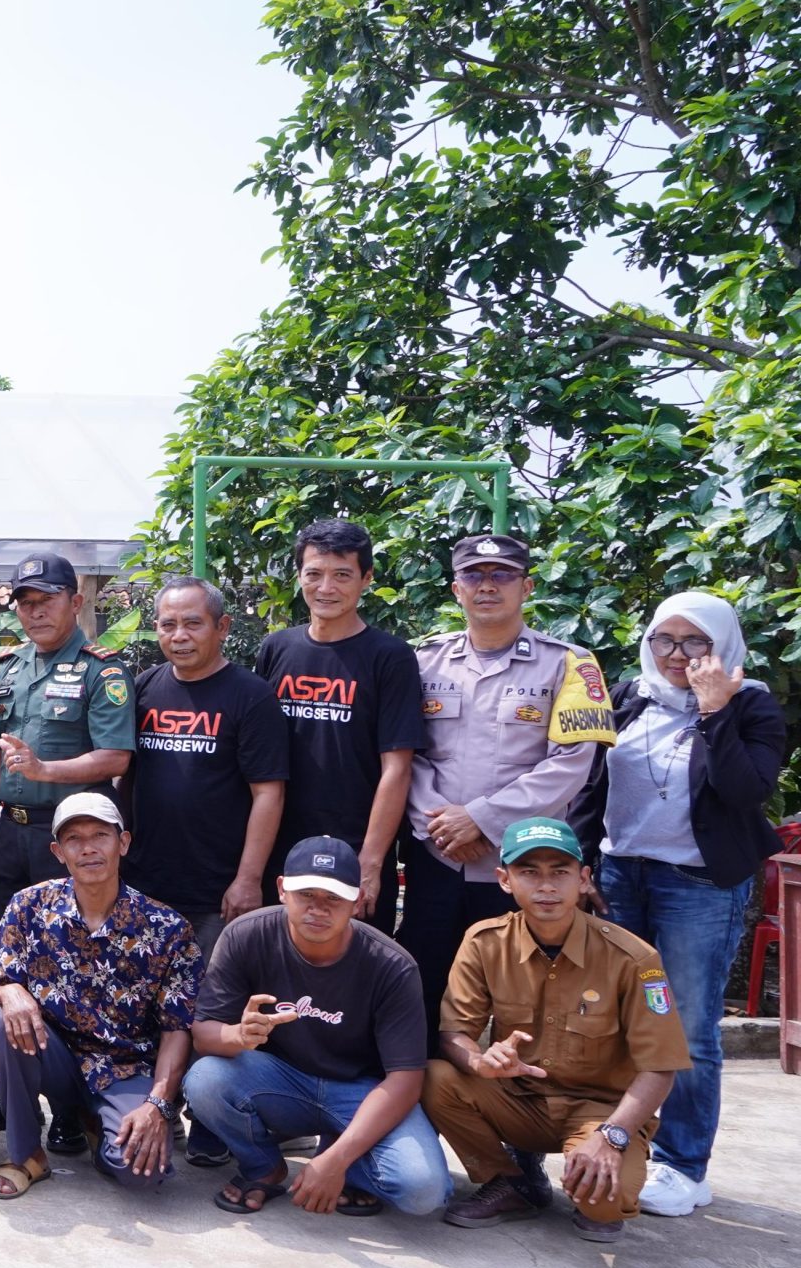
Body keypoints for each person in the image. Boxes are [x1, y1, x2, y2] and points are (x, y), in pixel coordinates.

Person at [572, 591, 788, 1216]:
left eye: (695, 642)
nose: (677, 656)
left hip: (697, 885)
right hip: (620, 875)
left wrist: (715, 709)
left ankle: (685, 1165)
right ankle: (620, 1141)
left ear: (721, 646)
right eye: (664, 640)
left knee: (687, 1027)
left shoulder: (752, 706)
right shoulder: (630, 695)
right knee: (609, 1016)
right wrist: (584, 860)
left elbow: (745, 790)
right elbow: (594, 781)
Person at [427, 818, 692, 1243]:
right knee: (434, 1077)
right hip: (518, 1099)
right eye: (529, 872)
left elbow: (661, 1066)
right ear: (504, 880)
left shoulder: (634, 957)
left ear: (584, 879)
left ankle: (593, 1161)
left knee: (603, 1208)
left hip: (599, 1113)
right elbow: (454, 1033)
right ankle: (512, 1180)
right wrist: (479, 1060)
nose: (546, 886)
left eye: (560, 872)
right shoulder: (484, 942)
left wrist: (614, 1135)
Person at [181, 837, 450, 1219]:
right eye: (306, 893)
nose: (318, 909)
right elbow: (204, 1034)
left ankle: (343, 1161)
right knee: (206, 1079)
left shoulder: (392, 964)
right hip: (280, 1081)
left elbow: (404, 1080)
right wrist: (238, 1036)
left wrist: (337, 1160)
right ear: (281, 890)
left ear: (357, 902)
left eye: (333, 898)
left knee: (422, 1191)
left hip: (361, 1091)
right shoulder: (246, 935)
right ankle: (264, 1167)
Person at [404, 533, 610, 1035]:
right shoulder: (419, 662)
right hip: (438, 860)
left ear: (527, 587)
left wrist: (480, 819)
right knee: (424, 996)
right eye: (474, 575)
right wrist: (441, 826)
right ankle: (429, 1106)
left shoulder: (571, 663)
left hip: (523, 866)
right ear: (456, 589)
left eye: (503, 575)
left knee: (530, 1007)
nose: (487, 586)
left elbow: (571, 765)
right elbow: (404, 757)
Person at [0, 793, 199, 1200]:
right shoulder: (28, 906)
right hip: (54, 1055)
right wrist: (9, 991)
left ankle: (96, 1124)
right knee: (1, 1020)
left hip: (125, 1066)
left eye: (101, 835)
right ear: (58, 851)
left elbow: (177, 1027)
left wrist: (158, 1104)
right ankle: (27, 1155)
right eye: (74, 839)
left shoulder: (168, 928)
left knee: (144, 1172)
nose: (89, 848)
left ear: (124, 843)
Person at [255, 518, 426, 921]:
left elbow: (397, 768)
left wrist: (370, 861)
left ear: (366, 578)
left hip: (353, 851)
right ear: (299, 576)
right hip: (279, 847)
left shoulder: (391, 657)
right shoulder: (277, 648)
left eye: (342, 575)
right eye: (313, 574)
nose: (326, 588)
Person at [0, 552, 134, 951]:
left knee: (70, 948)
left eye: (47, 601)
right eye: (26, 603)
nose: (36, 613)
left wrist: (44, 770)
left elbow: (115, 757)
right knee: (3, 945)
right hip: (11, 831)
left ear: (75, 603)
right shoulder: (8, 667)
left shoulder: (102, 670)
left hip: (73, 834)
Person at [122, 577, 288, 946]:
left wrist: (247, 879)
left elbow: (268, 794)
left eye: (193, 623)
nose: (179, 635)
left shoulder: (252, 696)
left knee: (211, 1000)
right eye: (168, 625)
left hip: (218, 893)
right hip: (145, 884)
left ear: (222, 626)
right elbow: (126, 777)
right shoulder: (145, 687)